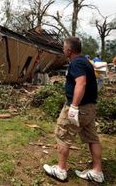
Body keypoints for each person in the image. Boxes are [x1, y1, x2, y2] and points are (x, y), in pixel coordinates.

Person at [43, 37, 104, 183]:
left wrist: (74, 106)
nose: (63, 50)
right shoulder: (85, 61)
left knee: (63, 135)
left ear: (69, 50)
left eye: (64, 48)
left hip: (79, 107)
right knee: (92, 138)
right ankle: (97, 171)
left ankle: (61, 170)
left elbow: (81, 83)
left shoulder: (76, 63)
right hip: (89, 108)